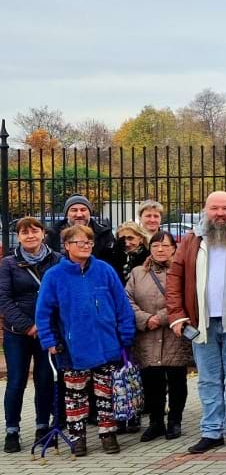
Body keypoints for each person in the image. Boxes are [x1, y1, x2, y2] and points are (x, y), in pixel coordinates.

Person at [166, 191, 226, 454]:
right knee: (208, 380)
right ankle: (211, 431)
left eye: (225, 208)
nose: (220, 213)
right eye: (214, 208)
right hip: (201, 324)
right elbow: (174, 280)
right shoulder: (191, 240)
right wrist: (176, 315)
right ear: (205, 211)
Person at [35, 224, 136, 457]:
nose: (86, 246)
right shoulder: (54, 276)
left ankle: (108, 434)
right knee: (75, 397)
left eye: (89, 242)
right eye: (80, 242)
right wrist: (49, 340)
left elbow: (122, 304)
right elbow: (43, 313)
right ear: (67, 246)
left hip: (107, 343)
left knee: (106, 393)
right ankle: (77, 438)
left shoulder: (105, 270)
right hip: (72, 348)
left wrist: (126, 334)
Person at [0, 218, 62, 453]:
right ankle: (12, 430)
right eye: (24, 232)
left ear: (43, 234)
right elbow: (4, 300)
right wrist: (28, 326)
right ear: (18, 236)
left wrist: (45, 326)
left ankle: (42, 426)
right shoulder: (8, 264)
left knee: (45, 379)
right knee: (16, 381)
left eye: (34, 231)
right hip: (17, 333)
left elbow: (61, 294)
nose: (30, 236)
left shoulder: (57, 260)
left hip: (48, 331)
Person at [125, 231, 193, 442]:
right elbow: (127, 299)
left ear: (174, 248)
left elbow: (186, 298)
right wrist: (146, 319)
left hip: (174, 331)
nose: (160, 250)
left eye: (165, 246)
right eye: (155, 246)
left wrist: (161, 318)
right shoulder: (138, 273)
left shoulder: (183, 271)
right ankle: (155, 422)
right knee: (151, 381)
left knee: (176, 380)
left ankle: (175, 420)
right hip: (146, 334)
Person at [46, 194, 115, 261]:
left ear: (90, 212)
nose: (79, 214)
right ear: (67, 214)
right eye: (74, 210)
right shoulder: (53, 234)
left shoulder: (104, 234)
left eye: (83, 210)